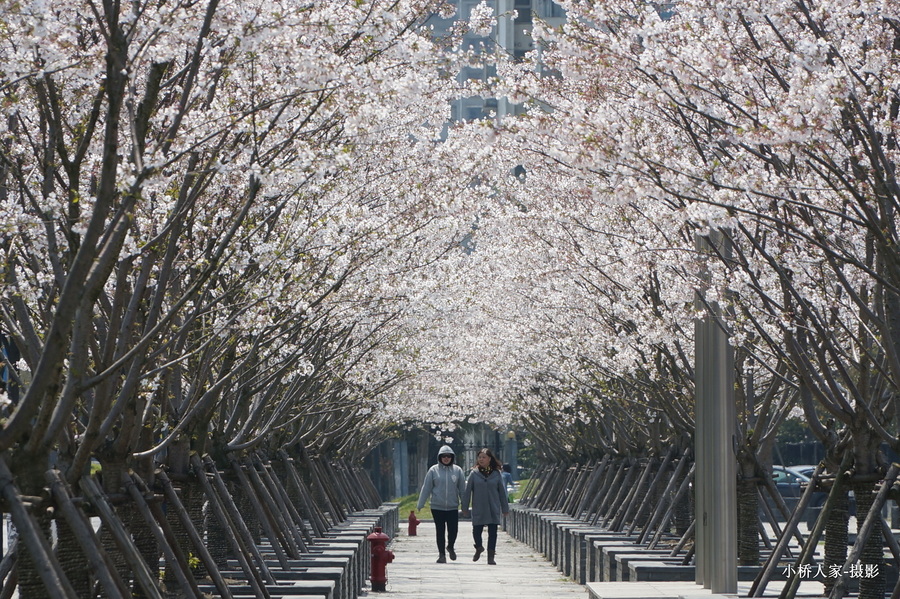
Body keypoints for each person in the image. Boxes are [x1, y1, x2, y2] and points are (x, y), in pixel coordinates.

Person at [416, 445, 466, 563]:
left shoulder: (458, 471)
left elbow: (462, 490)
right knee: (440, 530)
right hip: (437, 506)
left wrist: (464, 505)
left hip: (453, 507)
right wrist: (420, 503)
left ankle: (450, 546)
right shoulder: (433, 470)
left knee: (453, 530)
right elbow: (426, 488)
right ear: (440, 457)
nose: (446, 458)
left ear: (452, 457)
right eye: (443, 456)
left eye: (448, 456)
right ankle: (441, 554)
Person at [462, 447, 509, 565]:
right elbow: (467, 492)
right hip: (479, 507)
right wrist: (465, 507)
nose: (481, 459)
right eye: (480, 457)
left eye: (484, 457)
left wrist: (505, 508)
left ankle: (491, 557)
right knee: (476, 531)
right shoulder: (474, 473)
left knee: (493, 533)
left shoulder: (496, 474)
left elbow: (502, 492)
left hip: (493, 507)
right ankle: (479, 547)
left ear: (489, 459)